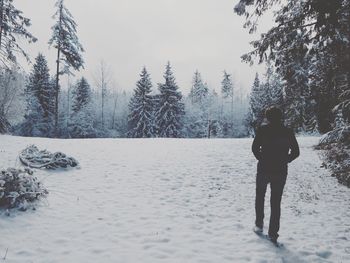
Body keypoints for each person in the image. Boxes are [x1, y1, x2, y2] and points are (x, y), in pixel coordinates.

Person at [252, 106, 300, 244]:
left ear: (267, 117)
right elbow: (296, 152)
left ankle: (259, 224)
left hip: (264, 169)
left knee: (260, 196)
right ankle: (273, 234)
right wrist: (286, 159)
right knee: (275, 201)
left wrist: (261, 158)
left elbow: (254, 148)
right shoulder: (287, 131)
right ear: (281, 116)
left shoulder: (263, 130)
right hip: (280, 170)